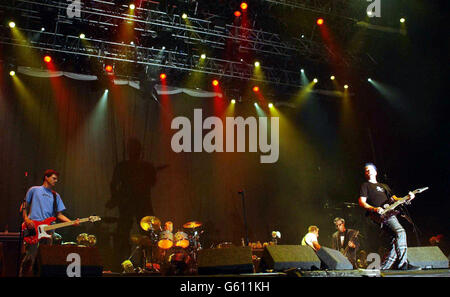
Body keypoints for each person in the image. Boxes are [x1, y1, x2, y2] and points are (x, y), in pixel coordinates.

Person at [358, 163, 420, 270]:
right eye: (366, 170)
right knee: (400, 232)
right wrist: (374, 209)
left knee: (396, 239)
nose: (368, 171)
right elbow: (361, 202)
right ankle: (402, 264)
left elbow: (396, 199)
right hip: (379, 214)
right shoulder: (365, 185)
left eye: (370, 169)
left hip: (390, 212)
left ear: (376, 172)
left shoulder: (384, 186)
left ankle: (383, 268)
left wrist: (409, 198)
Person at [19, 169, 79, 276]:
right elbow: (23, 207)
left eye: (57, 179)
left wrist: (72, 222)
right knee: (29, 258)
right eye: (54, 178)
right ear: (46, 177)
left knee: (45, 259)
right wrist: (27, 220)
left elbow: (59, 215)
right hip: (32, 227)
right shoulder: (34, 190)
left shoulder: (56, 196)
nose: (56, 181)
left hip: (48, 230)